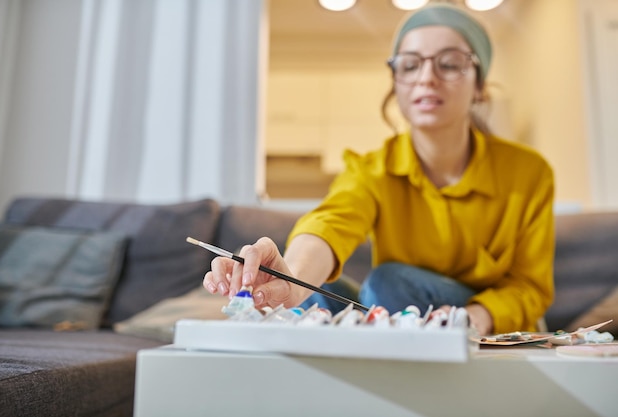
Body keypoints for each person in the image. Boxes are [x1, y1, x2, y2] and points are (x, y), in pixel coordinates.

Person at [203, 3, 555, 336]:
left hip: (486, 322)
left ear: (479, 85)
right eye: (410, 64)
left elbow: (529, 287)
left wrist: (471, 318)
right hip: (405, 314)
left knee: (387, 282)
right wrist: (291, 280)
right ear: (396, 81)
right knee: (317, 291)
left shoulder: (528, 173)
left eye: (449, 64)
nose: (427, 77)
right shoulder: (372, 169)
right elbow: (332, 223)